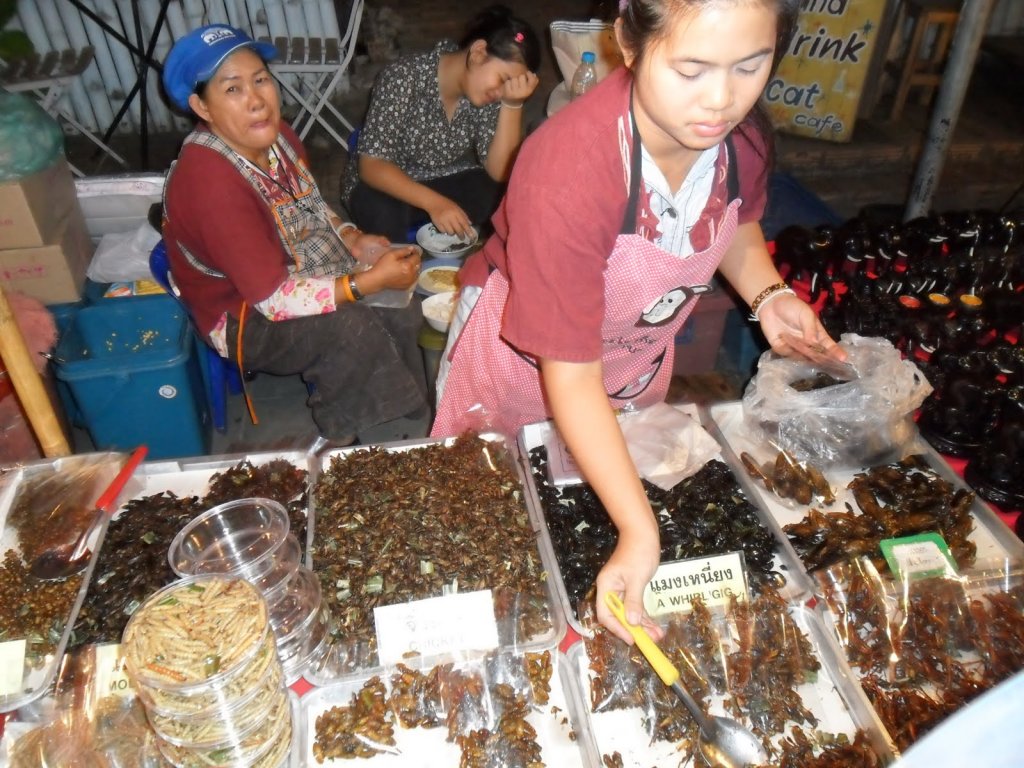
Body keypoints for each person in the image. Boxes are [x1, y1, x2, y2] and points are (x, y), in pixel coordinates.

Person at [431, 0, 848, 644]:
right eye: (691, 69)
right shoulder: (567, 171)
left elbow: (735, 221)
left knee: (593, 498)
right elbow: (569, 381)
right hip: (522, 366)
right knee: (495, 523)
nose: (721, 100)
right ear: (627, 38)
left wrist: (768, 297)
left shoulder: (744, 138)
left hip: (632, 361)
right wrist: (639, 528)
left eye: (750, 65)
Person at [160, 24, 429, 445]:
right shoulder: (210, 183)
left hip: (289, 260)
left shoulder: (279, 136)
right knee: (348, 325)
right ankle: (342, 434)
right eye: (232, 90)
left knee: (399, 302)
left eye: (261, 80)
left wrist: (351, 237)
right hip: (239, 311)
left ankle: (402, 395)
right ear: (202, 107)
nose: (256, 101)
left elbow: (310, 206)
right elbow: (272, 298)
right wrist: (365, 282)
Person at [341, 5, 541, 243]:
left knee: (506, 197)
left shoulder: (492, 96)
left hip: (445, 175)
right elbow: (372, 165)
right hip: (389, 183)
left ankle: (475, 268)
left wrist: (512, 104)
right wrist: (435, 203)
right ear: (478, 53)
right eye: (503, 80)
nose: (499, 92)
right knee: (381, 213)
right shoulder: (404, 76)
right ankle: (399, 267)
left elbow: (499, 171)